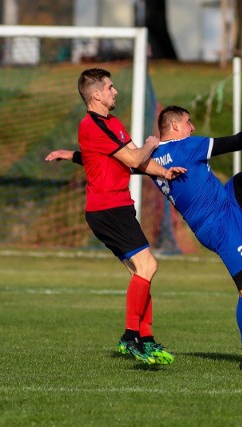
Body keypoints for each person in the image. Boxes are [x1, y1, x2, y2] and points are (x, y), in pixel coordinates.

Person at [46, 104, 242, 370]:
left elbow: (108, 162)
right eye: (188, 122)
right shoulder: (189, 146)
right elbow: (236, 142)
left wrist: (70, 155)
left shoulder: (150, 158)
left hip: (224, 203)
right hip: (219, 224)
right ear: (174, 127)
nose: (193, 127)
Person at [46, 68, 185, 365]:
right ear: (96, 94)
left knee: (141, 272)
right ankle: (130, 336)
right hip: (107, 208)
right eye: (110, 87)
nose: (115, 91)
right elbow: (136, 157)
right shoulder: (91, 125)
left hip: (116, 207)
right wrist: (152, 142)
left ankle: (144, 339)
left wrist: (164, 172)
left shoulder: (112, 124)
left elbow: (132, 163)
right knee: (148, 265)